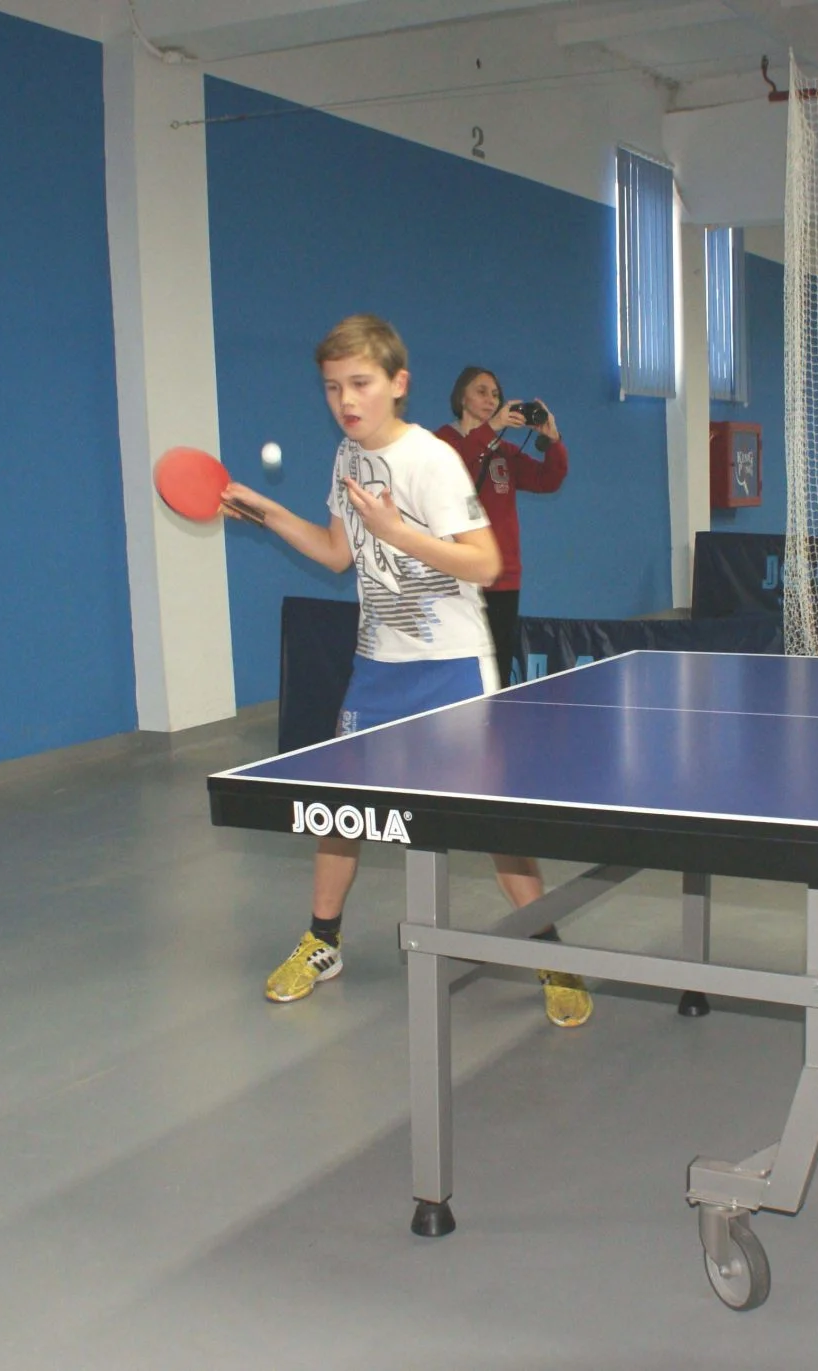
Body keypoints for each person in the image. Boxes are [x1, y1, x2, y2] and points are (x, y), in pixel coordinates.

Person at [218, 315, 592, 1028]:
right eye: (333, 387)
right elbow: (337, 553)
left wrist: (399, 532)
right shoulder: (347, 456)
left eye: (359, 383)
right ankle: (323, 940)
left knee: (493, 822)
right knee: (343, 810)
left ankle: (550, 951)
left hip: (451, 669)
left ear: (398, 383)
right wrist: (266, 513)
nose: (345, 400)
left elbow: (485, 562)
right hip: (377, 667)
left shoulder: (432, 459)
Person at [434, 367, 568, 687]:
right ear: (461, 397)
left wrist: (553, 440)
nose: (490, 399)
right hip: (456, 576)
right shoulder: (441, 442)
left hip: (502, 577)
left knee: (497, 670)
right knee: (457, 669)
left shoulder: (503, 451)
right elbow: (454, 470)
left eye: (495, 394)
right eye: (481, 391)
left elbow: (548, 480)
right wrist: (492, 428)